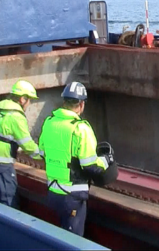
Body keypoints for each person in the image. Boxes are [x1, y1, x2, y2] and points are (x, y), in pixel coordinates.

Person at [39, 81, 116, 236]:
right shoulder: (81, 128)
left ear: (64, 101)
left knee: (60, 237)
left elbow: (42, 153)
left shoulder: (49, 122)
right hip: (72, 197)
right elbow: (90, 166)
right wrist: (106, 159)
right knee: (73, 241)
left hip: (53, 192)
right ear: (81, 104)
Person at [0, 79, 42, 208]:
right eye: (29, 100)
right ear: (22, 99)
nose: (29, 104)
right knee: (8, 203)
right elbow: (27, 145)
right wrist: (43, 155)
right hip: (1, 164)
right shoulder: (16, 116)